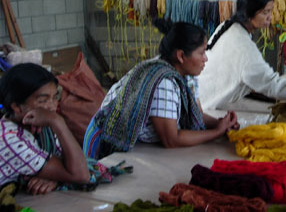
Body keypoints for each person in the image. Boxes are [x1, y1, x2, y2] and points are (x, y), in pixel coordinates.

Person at [83, 21, 239, 159]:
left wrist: (220, 123)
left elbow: (196, 114)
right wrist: (216, 133)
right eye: (201, 52)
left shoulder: (185, 75)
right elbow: (172, 139)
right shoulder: (163, 81)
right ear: (181, 56)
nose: (205, 58)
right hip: (104, 143)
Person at [198, 0, 286, 110]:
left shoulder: (227, 26)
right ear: (248, 14)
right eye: (265, 12)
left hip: (204, 98)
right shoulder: (243, 47)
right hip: (211, 108)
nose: (270, 17)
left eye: (271, 11)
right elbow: (272, 85)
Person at [0, 63, 90, 195]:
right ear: (17, 107)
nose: (52, 107)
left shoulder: (41, 125)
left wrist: (57, 177)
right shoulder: (9, 139)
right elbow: (81, 175)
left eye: (55, 98)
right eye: (43, 100)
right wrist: (58, 122)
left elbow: (74, 164)